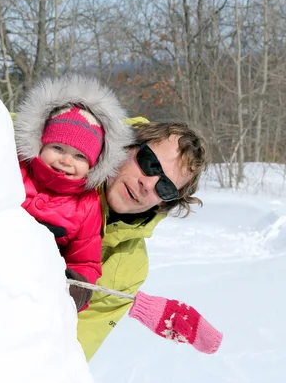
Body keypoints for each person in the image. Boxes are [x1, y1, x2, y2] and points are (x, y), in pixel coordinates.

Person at [76, 119, 208, 361]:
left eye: (165, 187)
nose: (148, 185)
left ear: (164, 203)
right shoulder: (59, 156)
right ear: (127, 146)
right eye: (149, 164)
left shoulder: (127, 269)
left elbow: (68, 352)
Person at [14, 74, 134, 312]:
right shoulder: (16, 171)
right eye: (58, 148)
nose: (66, 160)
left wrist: (78, 284)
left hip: (32, 288)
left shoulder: (87, 205)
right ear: (41, 145)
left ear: (93, 165)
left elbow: (85, 258)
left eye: (80, 156)